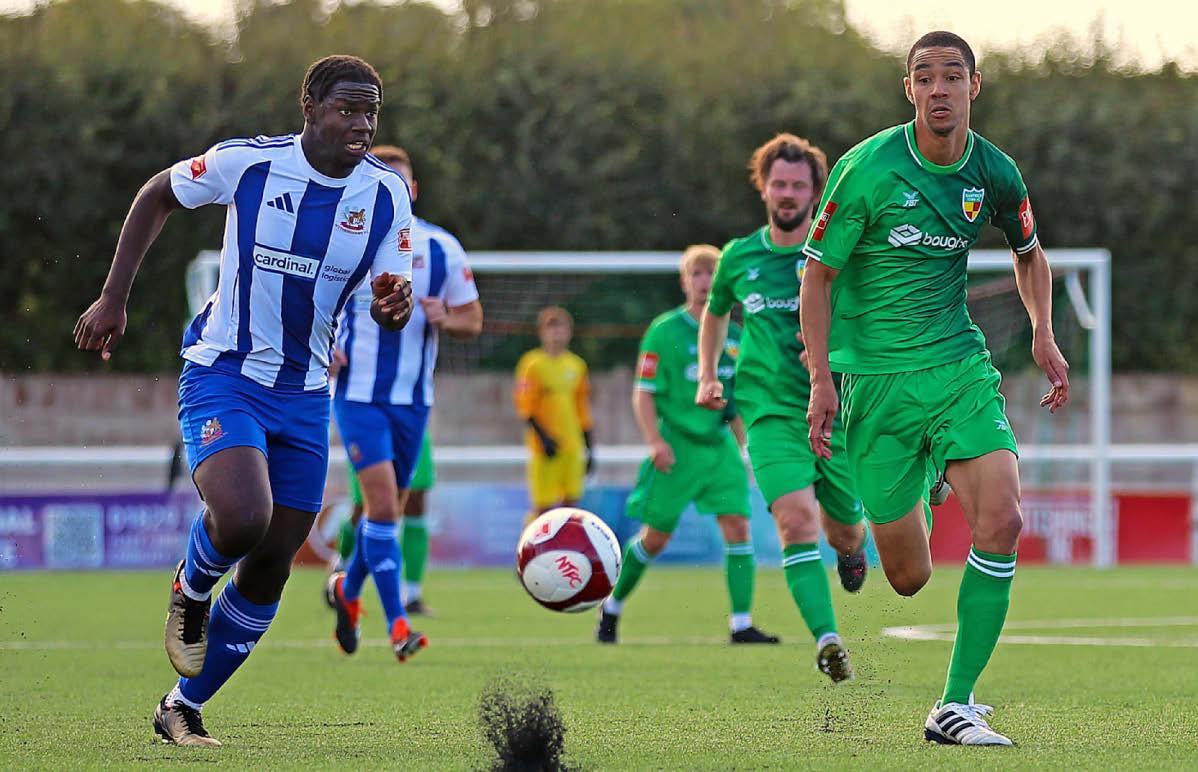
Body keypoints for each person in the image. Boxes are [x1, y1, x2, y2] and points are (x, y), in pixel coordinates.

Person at [73, 55, 414, 747]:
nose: (360, 123)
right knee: (242, 518)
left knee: (271, 561)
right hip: (226, 373)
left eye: (370, 111)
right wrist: (115, 296)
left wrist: (395, 305)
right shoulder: (248, 164)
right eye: (347, 108)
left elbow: (391, 302)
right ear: (310, 107)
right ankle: (191, 589)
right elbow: (155, 195)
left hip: (308, 393)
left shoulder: (385, 195)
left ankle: (181, 707)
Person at [799, 31, 1070, 745]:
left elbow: (1030, 254)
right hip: (876, 388)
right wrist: (822, 378)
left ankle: (954, 704)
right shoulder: (866, 169)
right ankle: (922, 476)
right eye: (926, 77)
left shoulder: (996, 174)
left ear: (975, 87)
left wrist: (1042, 331)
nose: (940, 88)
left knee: (1004, 520)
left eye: (954, 76)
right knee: (909, 578)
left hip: (958, 370)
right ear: (909, 90)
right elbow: (817, 276)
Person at [697, 133, 867, 684]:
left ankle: (849, 552)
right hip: (768, 411)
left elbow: (871, 316)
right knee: (795, 521)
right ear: (763, 188)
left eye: (798, 184)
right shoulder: (738, 257)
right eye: (778, 184)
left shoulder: (841, 253)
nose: (787, 193)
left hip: (837, 410)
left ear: (816, 191)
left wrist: (830, 341)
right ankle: (828, 639)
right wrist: (707, 373)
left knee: (845, 532)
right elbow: (715, 313)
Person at [327, 145, 482, 645]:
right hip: (357, 398)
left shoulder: (441, 248)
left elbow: (472, 318)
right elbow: (306, 303)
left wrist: (448, 317)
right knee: (382, 507)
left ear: (412, 191)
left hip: (413, 402)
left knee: (390, 507)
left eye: (401, 183)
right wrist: (325, 345)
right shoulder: (342, 241)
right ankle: (398, 624)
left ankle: (348, 589)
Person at [597, 245, 778, 646]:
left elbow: (741, 400)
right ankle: (611, 607)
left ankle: (742, 623)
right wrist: (654, 441)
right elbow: (643, 392)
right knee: (655, 537)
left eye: (712, 273)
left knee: (738, 525)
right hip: (676, 447)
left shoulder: (736, 335)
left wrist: (747, 444)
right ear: (684, 281)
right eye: (697, 274)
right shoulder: (664, 331)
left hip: (718, 446)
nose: (705, 281)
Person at [513, 307, 594, 524]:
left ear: (569, 332)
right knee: (543, 511)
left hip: (572, 446)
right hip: (544, 449)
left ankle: (565, 556)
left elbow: (582, 408)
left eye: (561, 328)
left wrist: (589, 447)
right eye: (551, 328)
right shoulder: (532, 364)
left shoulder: (577, 365)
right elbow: (525, 407)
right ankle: (529, 552)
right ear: (542, 332)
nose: (556, 334)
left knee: (572, 511)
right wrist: (543, 438)